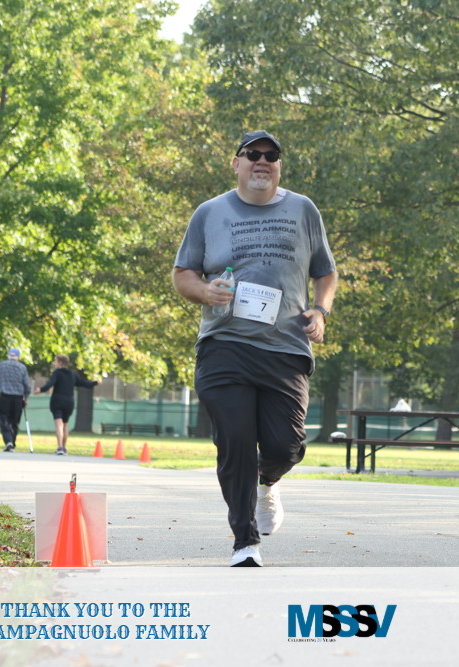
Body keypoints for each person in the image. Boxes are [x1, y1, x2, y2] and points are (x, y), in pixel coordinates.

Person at [172, 129, 338, 567]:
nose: (262, 161)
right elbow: (183, 274)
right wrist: (205, 292)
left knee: (286, 446)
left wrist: (321, 311)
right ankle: (244, 542)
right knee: (236, 442)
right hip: (224, 344)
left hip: (285, 347)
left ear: (279, 165)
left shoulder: (303, 209)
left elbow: (325, 272)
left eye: (271, 155)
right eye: (252, 154)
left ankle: (269, 479)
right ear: (237, 163)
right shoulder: (210, 212)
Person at [33, 354, 97, 455]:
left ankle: (59, 447)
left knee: (59, 424)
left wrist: (40, 389)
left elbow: (50, 384)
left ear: (60, 363)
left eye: (55, 362)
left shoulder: (57, 373)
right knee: (65, 425)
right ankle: (64, 448)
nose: (54, 364)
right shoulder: (72, 374)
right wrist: (96, 382)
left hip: (57, 401)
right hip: (69, 402)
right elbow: (85, 383)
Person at [0, 347, 32, 452]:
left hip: (5, 397)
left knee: (4, 418)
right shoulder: (22, 368)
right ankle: (12, 442)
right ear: (18, 357)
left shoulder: (1, 366)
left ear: (8, 356)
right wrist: (26, 398)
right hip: (18, 399)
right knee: (15, 421)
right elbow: (27, 385)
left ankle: (9, 441)